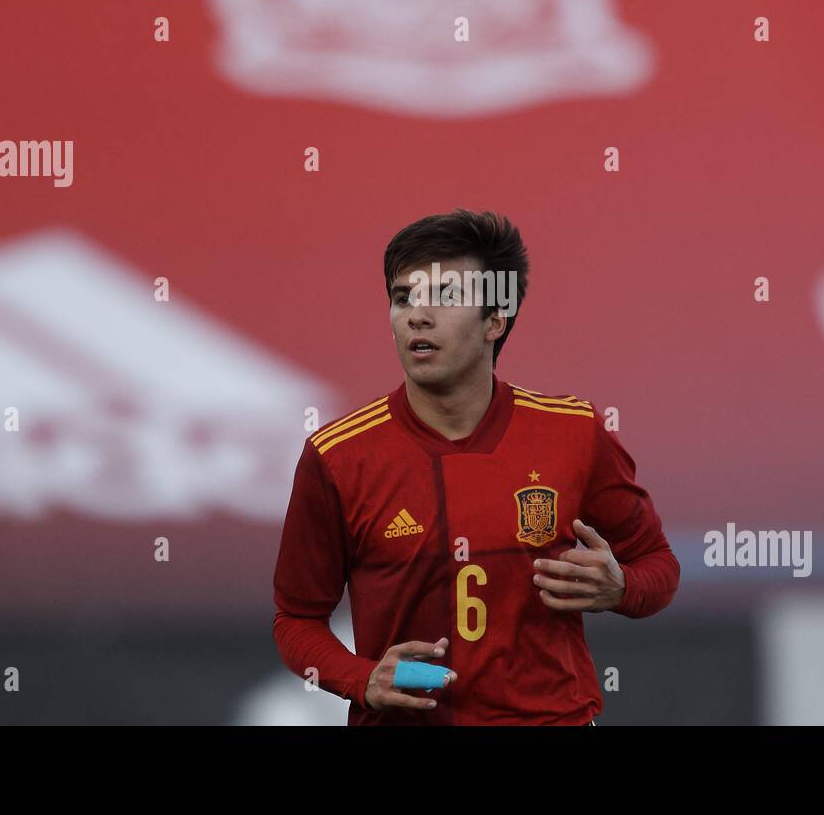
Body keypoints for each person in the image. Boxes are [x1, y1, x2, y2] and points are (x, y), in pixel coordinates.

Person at [271, 209, 680, 724]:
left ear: (496, 319)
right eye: (403, 299)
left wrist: (622, 588)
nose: (417, 316)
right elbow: (296, 618)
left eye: (445, 297)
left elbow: (659, 565)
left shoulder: (573, 431)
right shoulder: (338, 455)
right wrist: (361, 677)